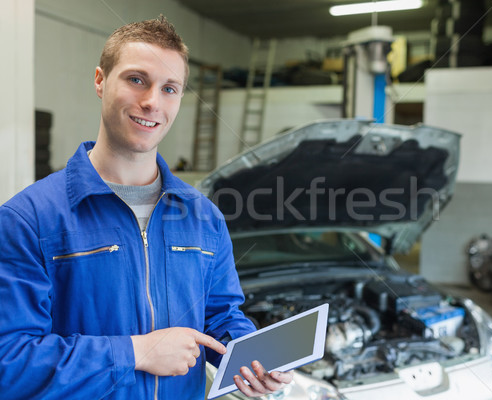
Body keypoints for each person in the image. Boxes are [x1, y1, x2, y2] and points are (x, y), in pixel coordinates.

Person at [0, 16, 292, 399]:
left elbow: (221, 317)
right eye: (137, 79)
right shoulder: (29, 219)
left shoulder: (204, 217)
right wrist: (136, 352)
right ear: (101, 81)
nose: (153, 101)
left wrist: (252, 361)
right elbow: (10, 361)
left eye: (170, 88)